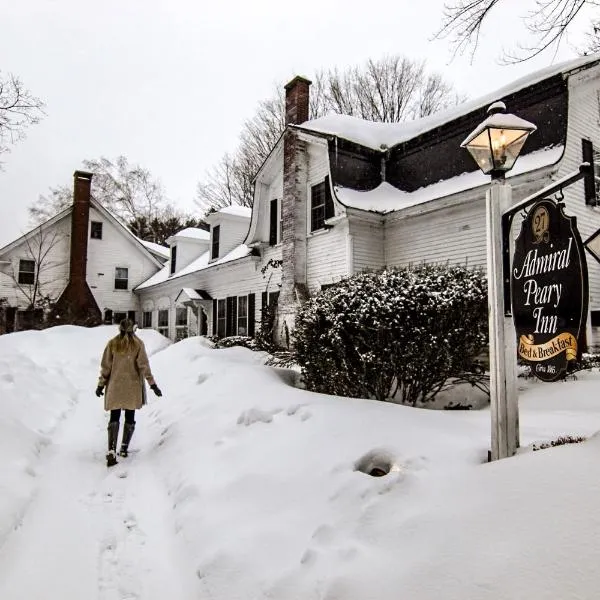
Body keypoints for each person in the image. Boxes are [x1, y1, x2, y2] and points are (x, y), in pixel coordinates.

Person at [96, 319, 162, 467]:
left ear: (119, 329)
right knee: (130, 416)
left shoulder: (112, 343)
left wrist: (101, 385)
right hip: (132, 387)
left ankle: (111, 449)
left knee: (114, 416)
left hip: (115, 386)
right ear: (134, 329)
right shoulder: (138, 344)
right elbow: (144, 367)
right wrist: (153, 385)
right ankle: (124, 448)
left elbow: (105, 367)